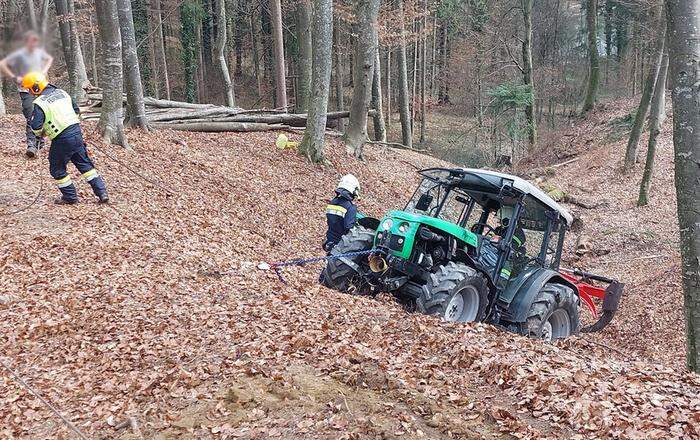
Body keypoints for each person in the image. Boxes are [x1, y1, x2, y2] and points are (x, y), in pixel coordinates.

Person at [23, 72, 108, 205]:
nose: (29, 92)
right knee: (85, 164)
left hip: (61, 139)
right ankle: (102, 192)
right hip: (76, 133)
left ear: (35, 87)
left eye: (29, 89)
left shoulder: (40, 103)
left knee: (56, 168)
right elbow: (76, 110)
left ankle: (70, 196)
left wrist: (42, 133)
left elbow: (35, 126)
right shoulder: (62, 93)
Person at [0, 31, 53, 157]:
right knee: (31, 115)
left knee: (42, 113)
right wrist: (14, 77)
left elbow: (49, 59)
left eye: (35, 41)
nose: (33, 44)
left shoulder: (39, 52)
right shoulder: (19, 55)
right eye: (31, 41)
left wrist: (44, 70)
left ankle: (39, 140)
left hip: (40, 87)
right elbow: (3, 64)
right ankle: (31, 145)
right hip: (25, 89)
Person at [323, 174, 360, 253]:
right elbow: (349, 227)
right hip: (341, 245)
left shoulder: (332, 203)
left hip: (330, 240)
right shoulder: (350, 207)